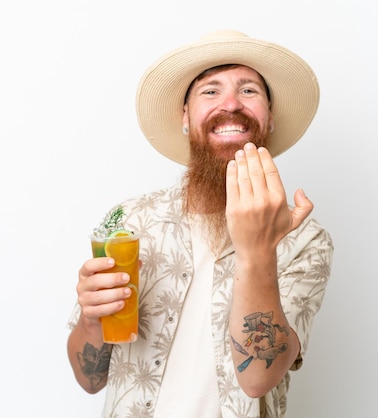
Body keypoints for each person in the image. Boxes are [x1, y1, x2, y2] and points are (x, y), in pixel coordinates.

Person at [67, 30, 333, 418]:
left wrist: (258, 251)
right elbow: (89, 380)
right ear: (185, 118)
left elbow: (259, 378)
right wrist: (92, 320)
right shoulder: (129, 222)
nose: (230, 104)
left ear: (270, 118)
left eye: (249, 91)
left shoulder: (305, 239)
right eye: (210, 91)